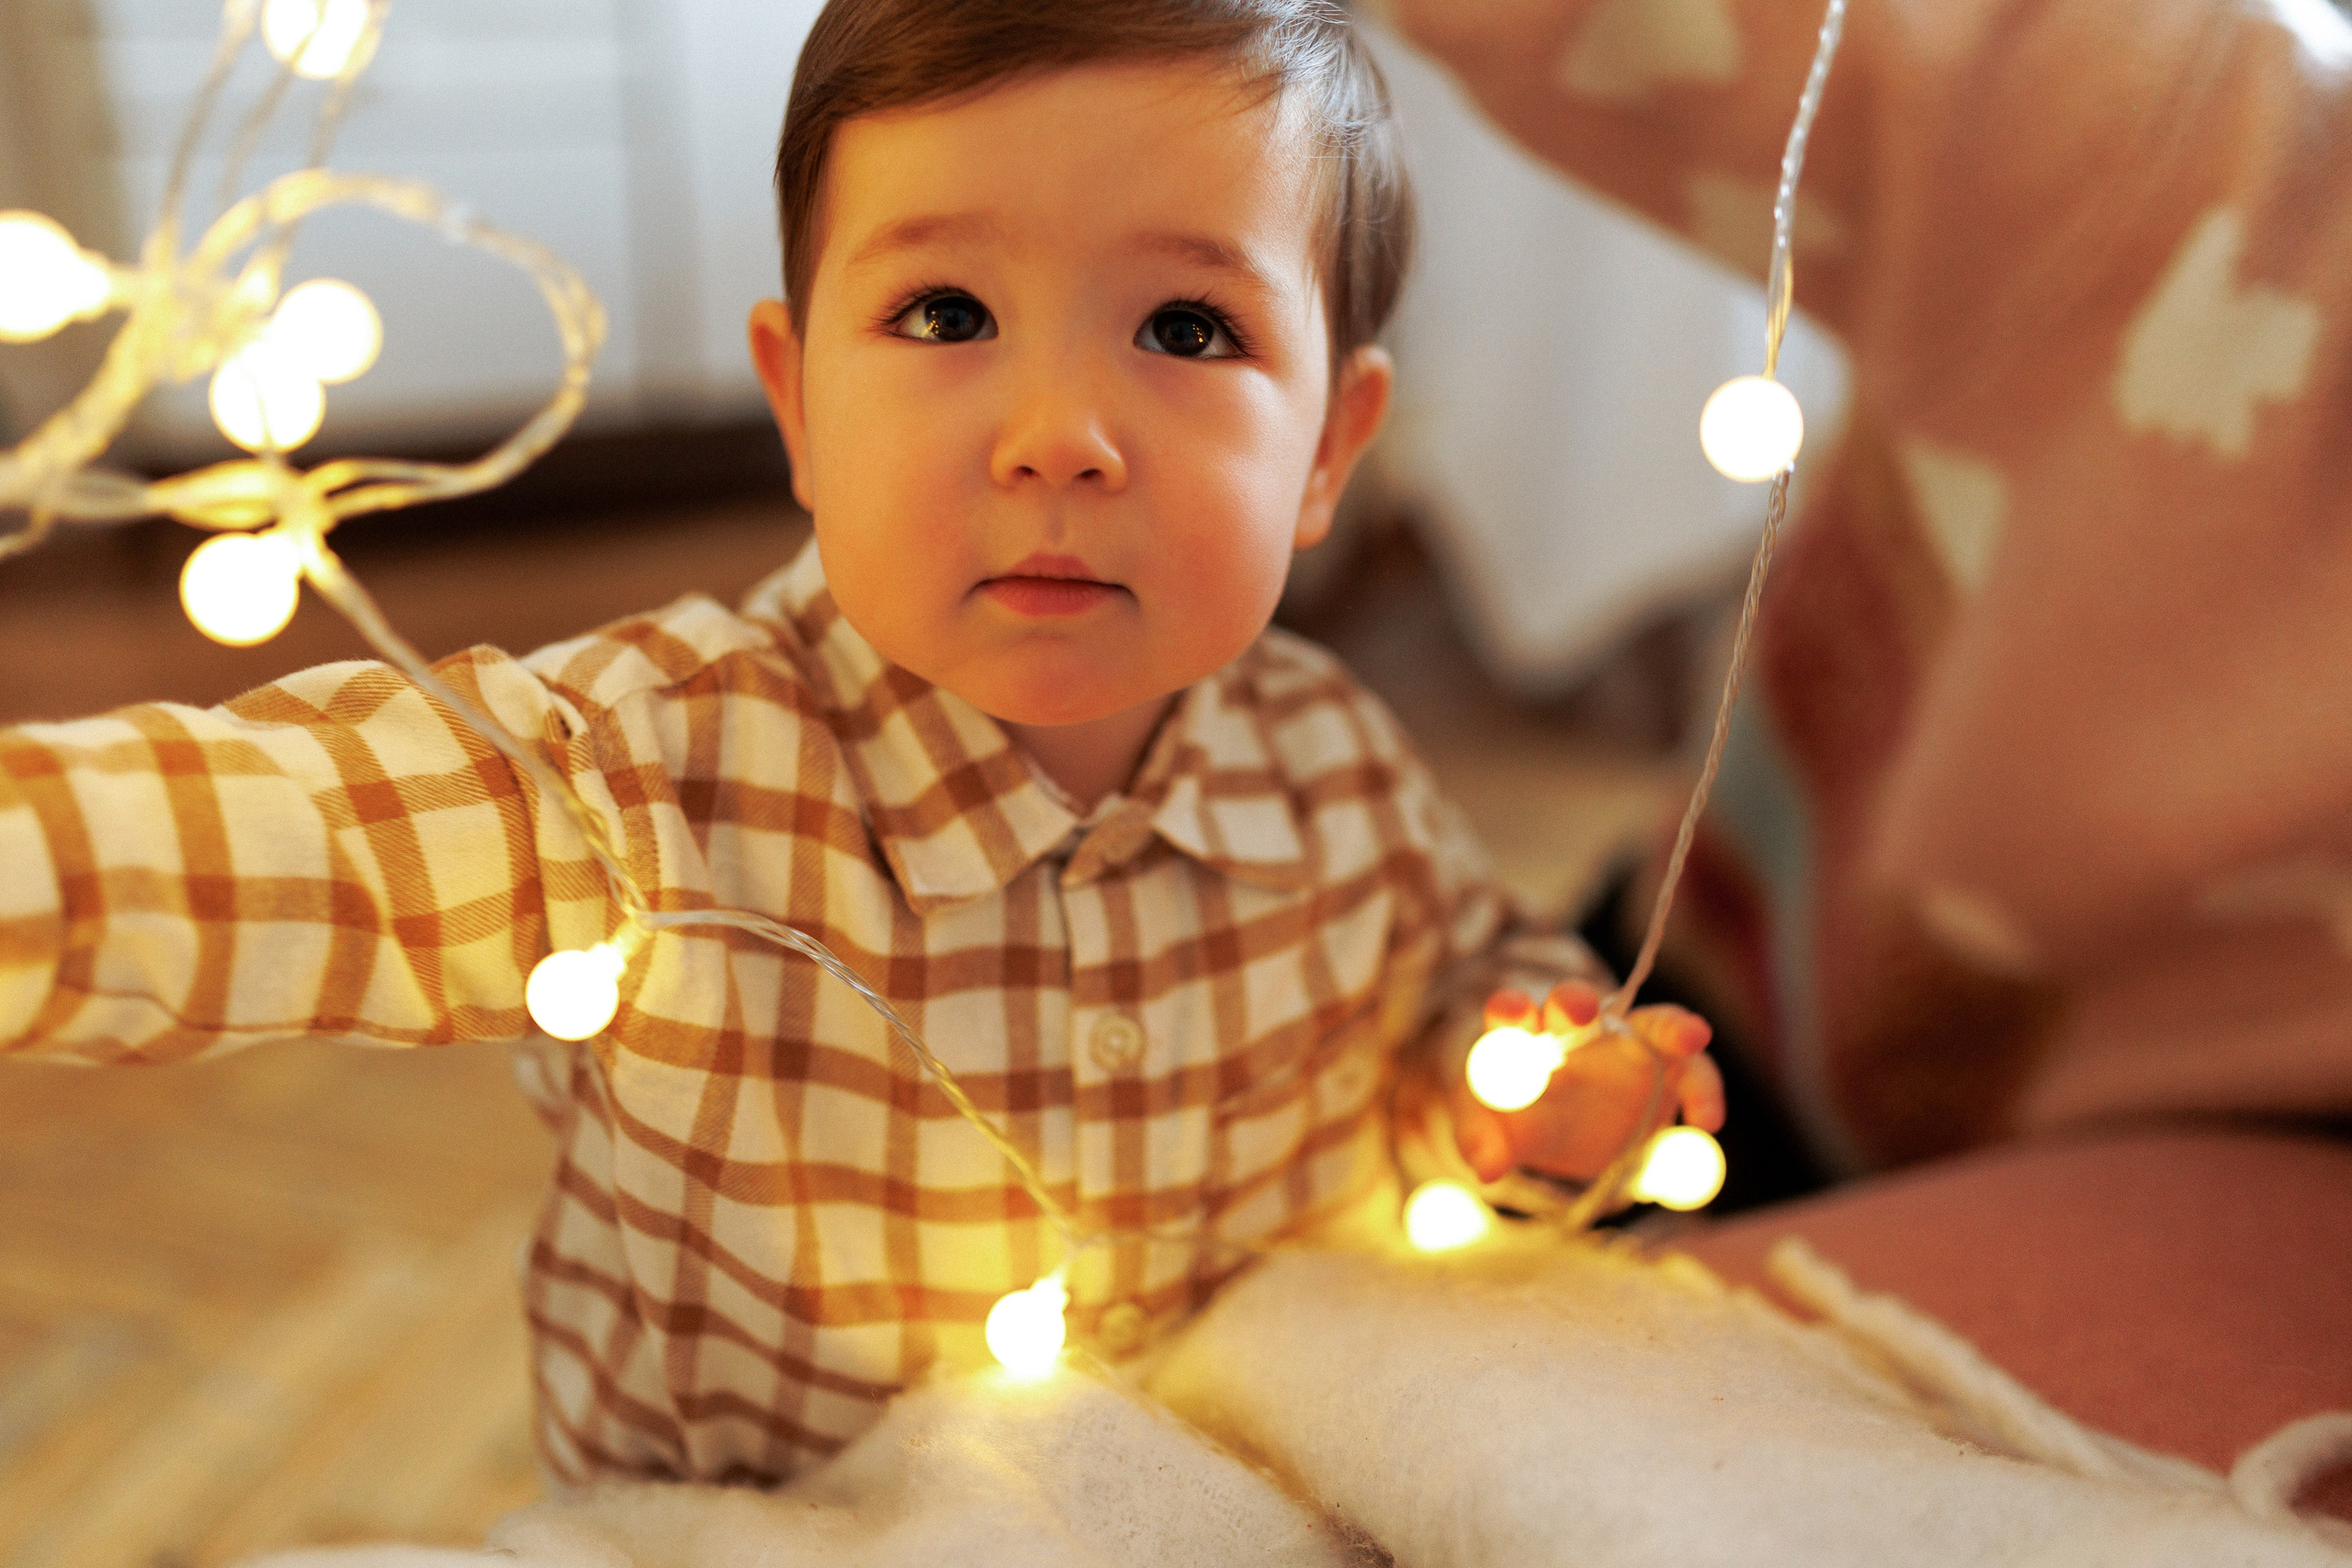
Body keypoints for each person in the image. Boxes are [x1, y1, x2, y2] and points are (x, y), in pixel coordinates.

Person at [0, 0, 1719, 1488]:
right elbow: (299, 834)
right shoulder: (653, 773)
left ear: (1334, 446)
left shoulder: (1338, 775)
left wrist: (1538, 1105)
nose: (1059, 438)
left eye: (1188, 331)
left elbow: (1452, 1031)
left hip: (1213, 1491)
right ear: (800, 403)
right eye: (947, 315)